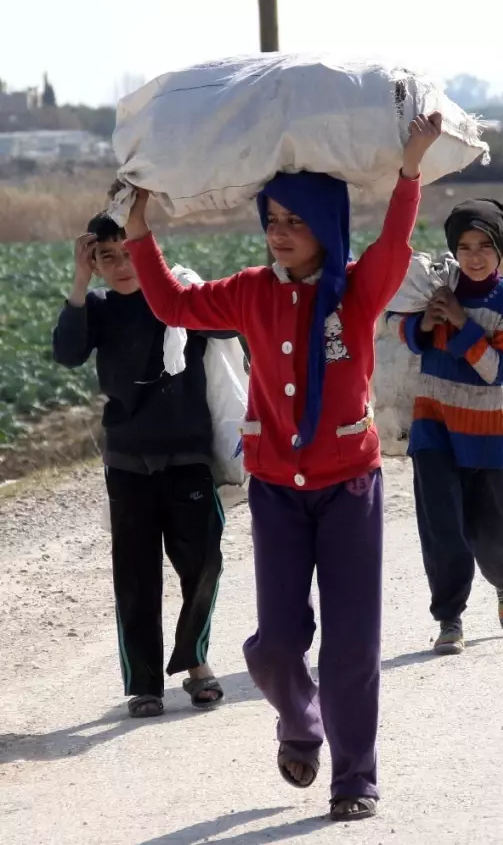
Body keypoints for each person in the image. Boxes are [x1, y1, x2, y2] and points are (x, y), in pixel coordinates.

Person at [121, 113, 442, 820]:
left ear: (326, 225)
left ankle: (354, 777)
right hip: (276, 492)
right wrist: (140, 233)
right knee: (274, 645)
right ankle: (300, 722)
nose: (281, 231)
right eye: (274, 218)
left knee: (353, 643)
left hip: (350, 486)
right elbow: (174, 303)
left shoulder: (357, 291)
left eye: (297, 219)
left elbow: (393, 244)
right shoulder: (248, 291)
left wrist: (410, 170)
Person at [52, 212, 234, 718]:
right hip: (128, 460)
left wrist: (178, 287)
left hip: (188, 456)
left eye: (128, 250)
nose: (120, 263)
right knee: (134, 575)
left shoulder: (177, 299)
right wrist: (79, 281)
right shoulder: (99, 308)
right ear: (95, 262)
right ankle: (145, 684)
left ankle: (196, 664)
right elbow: (66, 352)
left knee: (203, 564)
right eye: (105, 256)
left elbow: (227, 324)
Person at [386, 199, 503, 655]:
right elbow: (394, 323)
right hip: (433, 429)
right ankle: (449, 619)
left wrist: (462, 322)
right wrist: (424, 323)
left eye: (485, 245)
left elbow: (496, 370)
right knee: (441, 528)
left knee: (490, 533)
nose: (474, 256)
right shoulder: (436, 288)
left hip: (486, 437)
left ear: (500, 248)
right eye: (464, 246)